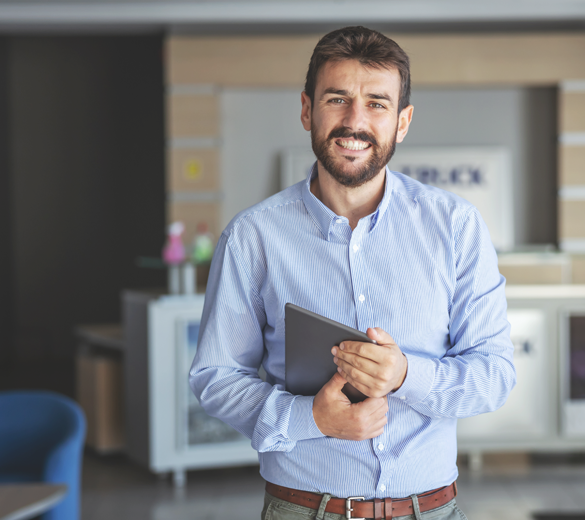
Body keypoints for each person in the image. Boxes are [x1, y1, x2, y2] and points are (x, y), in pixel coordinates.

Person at [189, 26, 516, 520]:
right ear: (306, 110)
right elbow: (216, 376)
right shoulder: (253, 236)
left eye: (377, 104)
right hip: (303, 509)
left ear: (402, 121)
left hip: (431, 509)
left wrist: (407, 375)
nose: (354, 121)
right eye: (337, 98)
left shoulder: (455, 227)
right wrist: (310, 418)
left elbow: (496, 373)